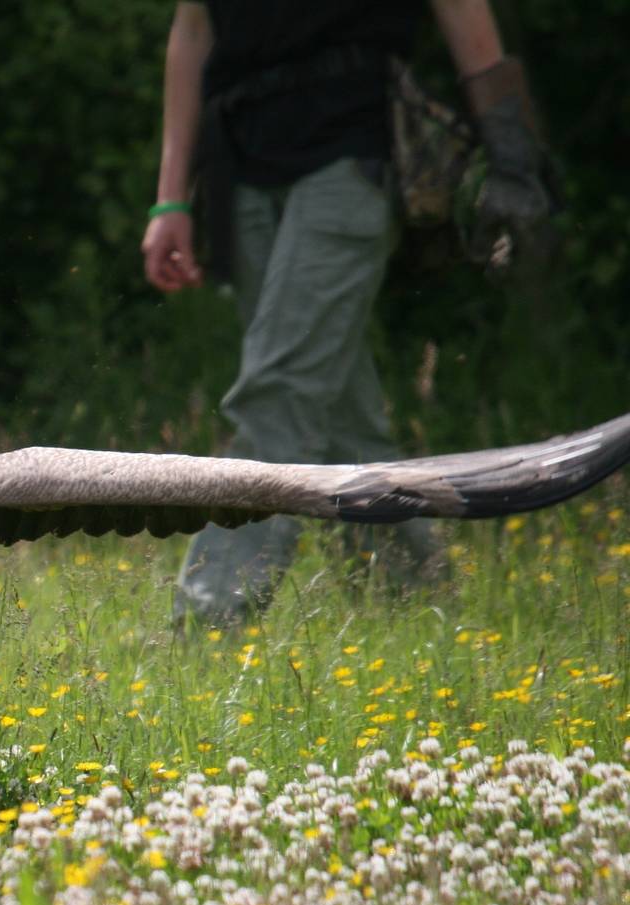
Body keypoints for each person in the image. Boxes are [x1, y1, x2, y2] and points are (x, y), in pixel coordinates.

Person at [142, 0, 554, 629]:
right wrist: (170, 197)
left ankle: (206, 617)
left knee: (280, 389)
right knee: (337, 415)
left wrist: (512, 158)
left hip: (349, 152)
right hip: (242, 167)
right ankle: (415, 599)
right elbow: (193, 28)